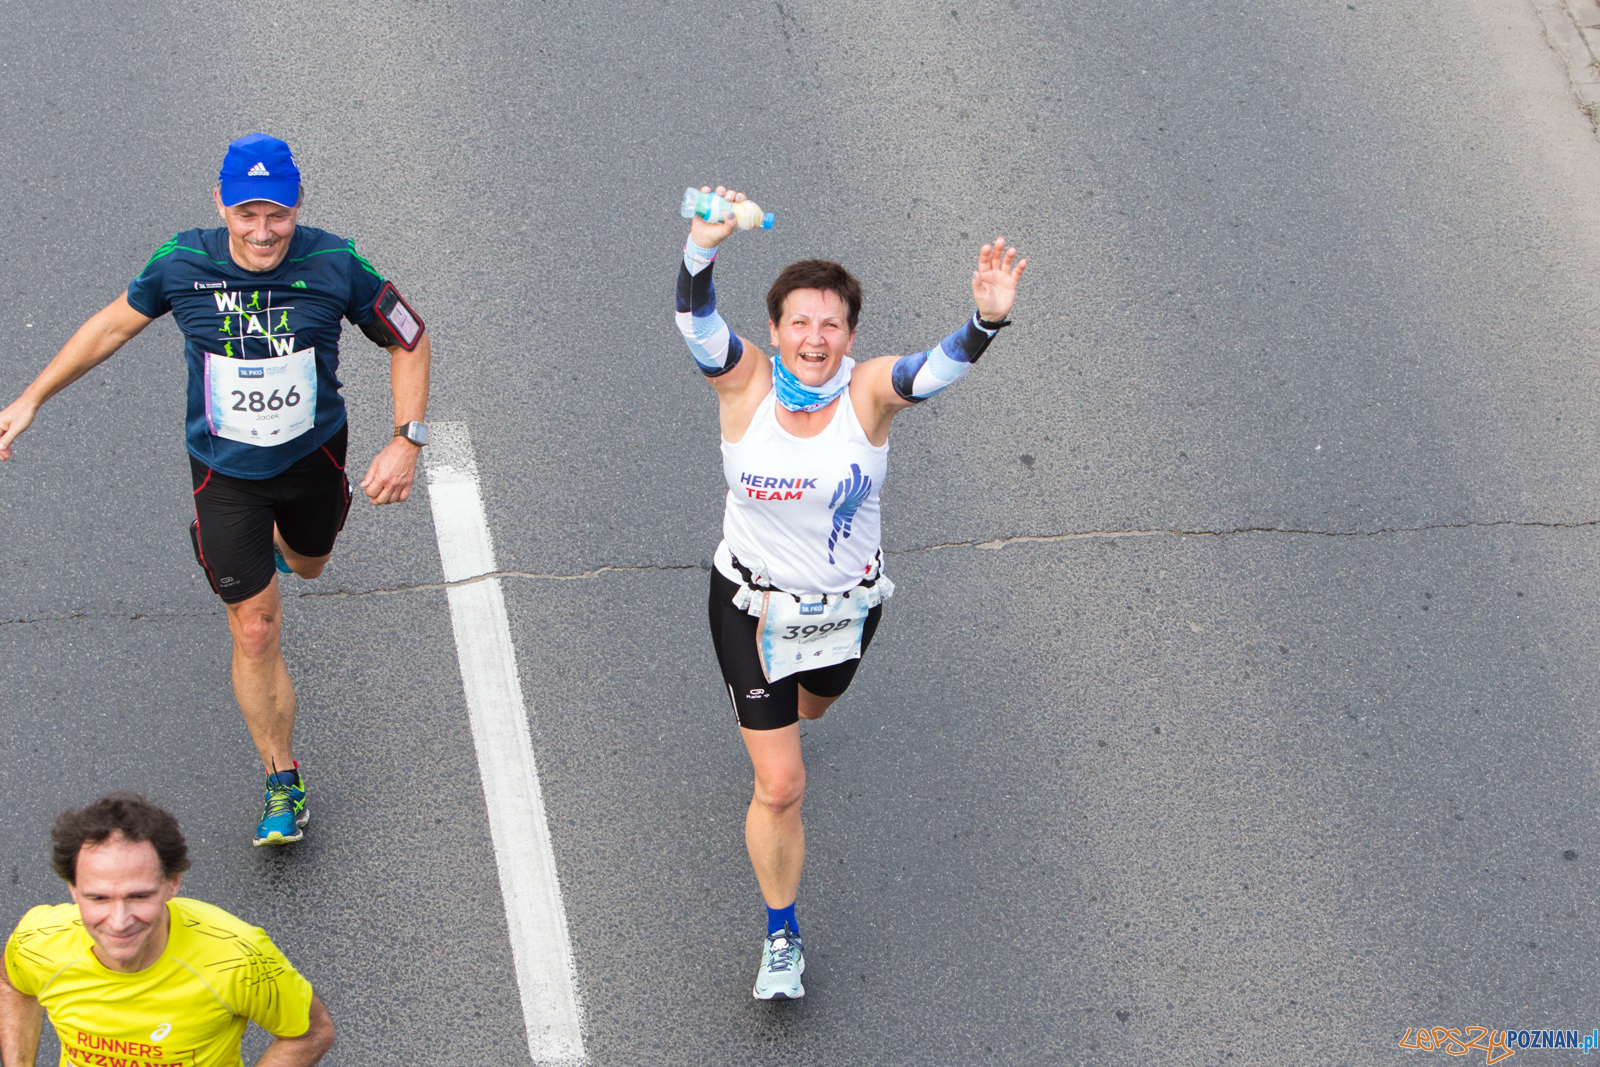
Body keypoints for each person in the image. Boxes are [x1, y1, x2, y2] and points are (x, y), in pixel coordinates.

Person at [0, 134, 432, 846]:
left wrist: (405, 439)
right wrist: (33, 397)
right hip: (224, 475)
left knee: (313, 563)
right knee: (255, 625)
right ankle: (281, 781)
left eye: (278, 215)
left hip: (312, 462)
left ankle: (273, 547)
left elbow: (408, 337)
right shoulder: (181, 263)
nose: (262, 232)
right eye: (245, 214)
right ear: (219, 205)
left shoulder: (336, 263)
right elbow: (111, 326)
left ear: (299, 207)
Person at [674, 185, 1027, 999]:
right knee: (782, 782)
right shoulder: (745, 385)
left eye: (830, 323)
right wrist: (702, 249)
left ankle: (781, 729)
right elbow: (695, 323)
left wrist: (985, 320)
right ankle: (781, 936)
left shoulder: (866, 393)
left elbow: (929, 371)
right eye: (799, 320)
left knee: (814, 710)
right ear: (774, 329)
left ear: (850, 335)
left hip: (846, 611)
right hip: (752, 608)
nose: (814, 336)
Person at [0, 793, 335, 1067]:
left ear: (172, 885)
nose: (119, 921)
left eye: (140, 896)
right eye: (98, 898)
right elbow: (13, 985)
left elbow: (310, 1033)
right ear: (73, 890)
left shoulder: (237, 957)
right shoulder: (38, 941)